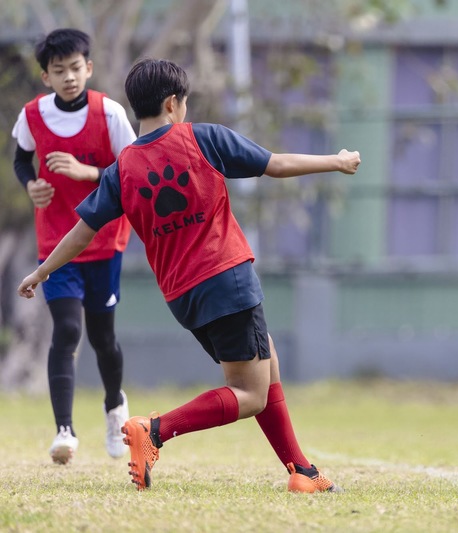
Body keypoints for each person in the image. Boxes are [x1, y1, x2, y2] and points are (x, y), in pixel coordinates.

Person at [18, 57, 361, 492]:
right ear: (172, 103)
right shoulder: (203, 138)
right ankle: (156, 430)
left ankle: (303, 472)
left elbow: (81, 233)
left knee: (265, 359)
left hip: (184, 296)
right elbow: (275, 164)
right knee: (250, 393)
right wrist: (336, 160)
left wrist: (42, 271)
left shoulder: (121, 169)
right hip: (227, 278)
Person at [11, 28, 135, 465]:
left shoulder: (111, 114)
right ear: (45, 76)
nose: (69, 77)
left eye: (75, 68)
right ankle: (64, 431)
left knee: (103, 337)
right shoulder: (32, 115)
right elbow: (20, 159)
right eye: (58, 71)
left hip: (104, 241)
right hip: (56, 244)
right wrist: (31, 186)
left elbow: (131, 172)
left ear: (89, 68)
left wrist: (86, 173)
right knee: (66, 330)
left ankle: (114, 408)